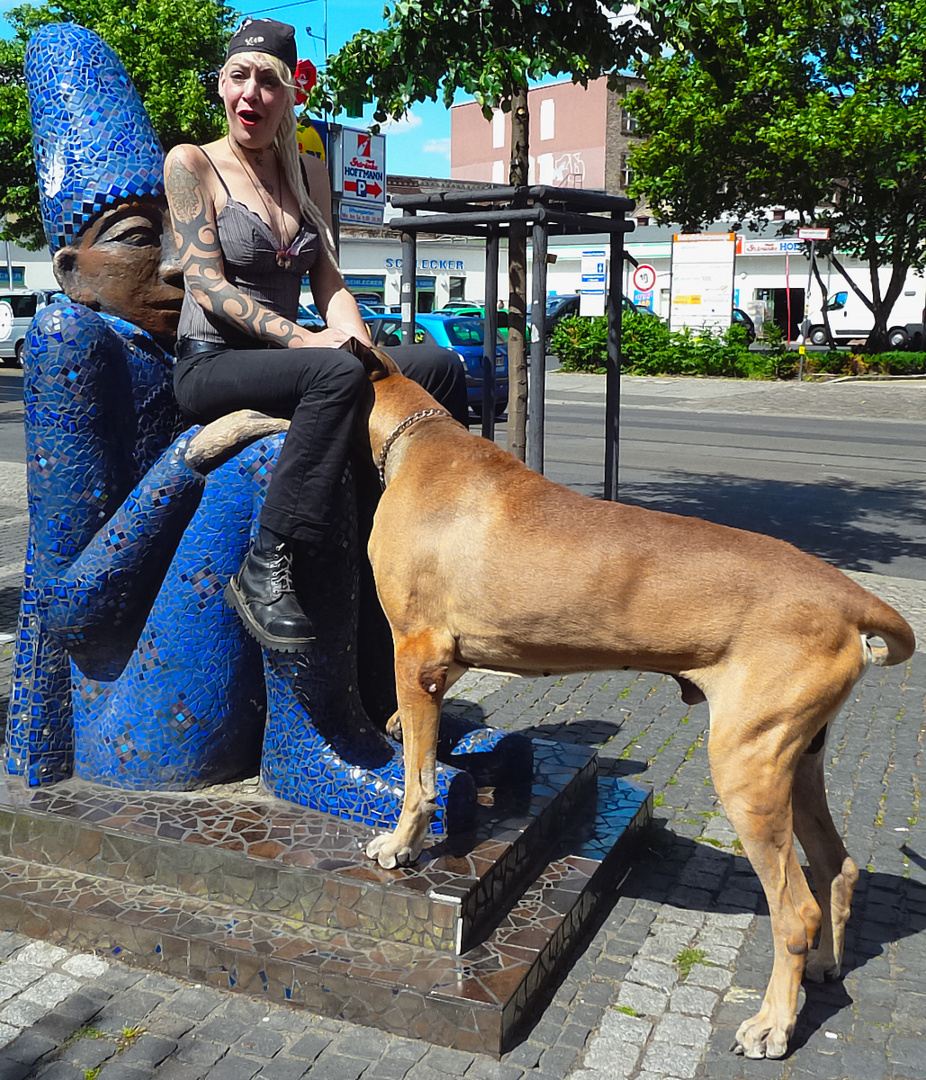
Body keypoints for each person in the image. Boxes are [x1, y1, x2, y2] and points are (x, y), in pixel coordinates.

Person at [165, 17, 465, 654]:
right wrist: (306, 343)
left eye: (268, 82)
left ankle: (440, 527)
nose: (253, 94)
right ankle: (266, 560)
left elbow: (330, 285)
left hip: (293, 361)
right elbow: (208, 286)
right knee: (333, 372)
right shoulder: (192, 165)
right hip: (213, 363)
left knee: (436, 366)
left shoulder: (308, 173)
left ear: (290, 93)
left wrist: (368, 352)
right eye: (239, 78)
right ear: (221, 87)